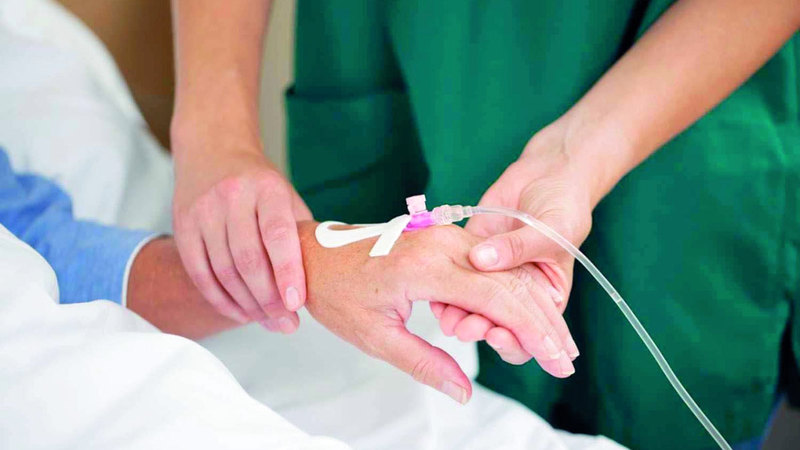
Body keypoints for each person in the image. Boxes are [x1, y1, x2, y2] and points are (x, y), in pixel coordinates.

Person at [169, 0, 800, 448]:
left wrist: (578, 155)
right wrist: (213, 132)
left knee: (663, 386)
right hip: (403, 56)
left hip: (684, 100)